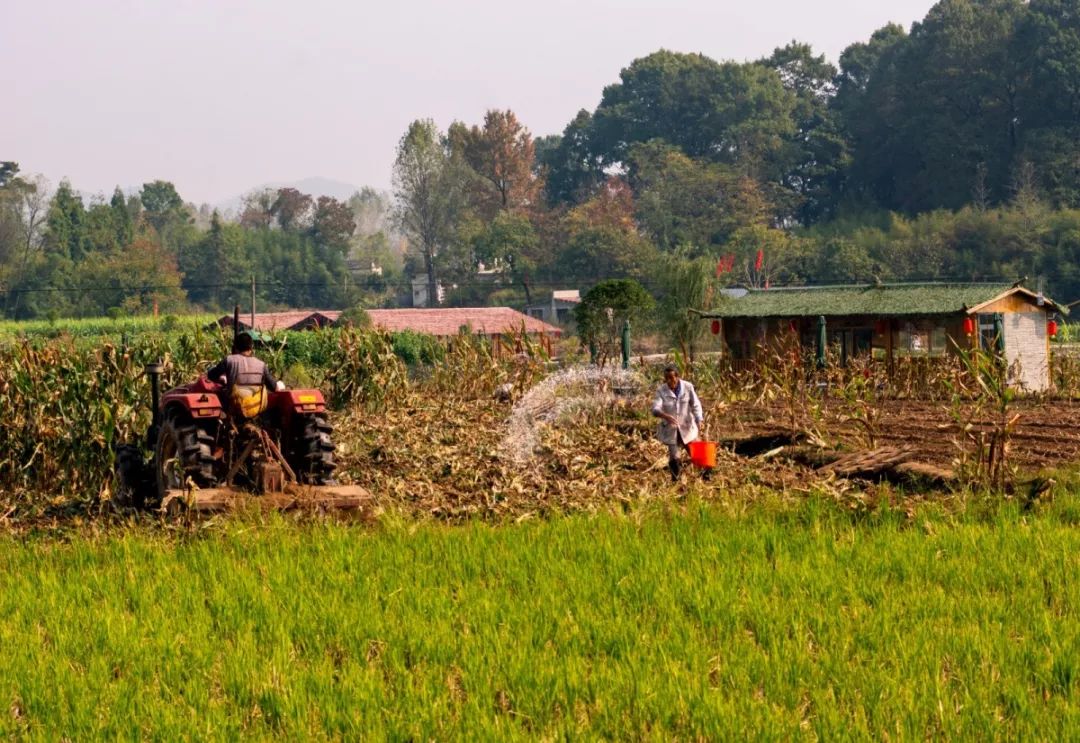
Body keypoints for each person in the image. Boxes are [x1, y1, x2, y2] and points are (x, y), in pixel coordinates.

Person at [207, 332, 284, 418]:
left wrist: (221, 377)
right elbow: (274, 387)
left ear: (235, 348)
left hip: (234, 407)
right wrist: (280, 384)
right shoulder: (262, 365)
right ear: (251, 348)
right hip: (256, 408)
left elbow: (211, 375)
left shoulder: (229, 360)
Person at [651, 363, 707, 482]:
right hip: (672, 429)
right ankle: (675, 481)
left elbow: (695, 404)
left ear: (677, 377)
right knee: (674, 457)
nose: (669, 381)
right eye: (666, 378)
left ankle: (706, 477)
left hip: (687, 427)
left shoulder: (688, 387)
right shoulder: (661, 390)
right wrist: (664, 415)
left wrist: (699, 419)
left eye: (671, 377)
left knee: (697, 453)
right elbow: (655, 408)